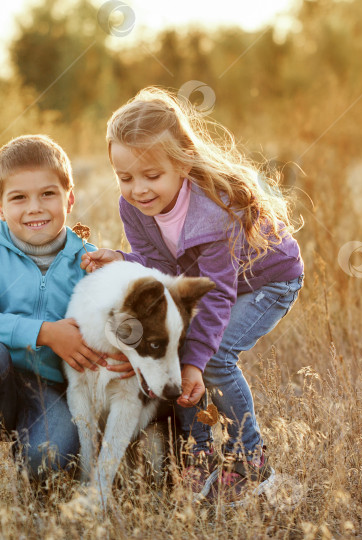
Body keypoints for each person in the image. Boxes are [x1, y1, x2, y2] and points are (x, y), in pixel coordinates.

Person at [81, 87, 305, 505]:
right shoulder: (133, 208)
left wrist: (197, 362)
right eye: (125, 177)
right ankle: (197, 454)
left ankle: (250, 459)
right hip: (216, 281)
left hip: (269, 281)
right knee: (177, 342)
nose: (138, 189)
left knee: (213, 356)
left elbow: (218, 294)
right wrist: (123, 258)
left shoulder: (211, 211)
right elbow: (158, 265)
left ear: (181, 163)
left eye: (152, 176)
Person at [0, 134, 132, 518]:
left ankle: (31, 450)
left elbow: (112, 333)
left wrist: (127, 357)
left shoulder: (88, 261)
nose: (34, 208)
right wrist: (47, 333)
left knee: (51, 461)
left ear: (69, 198)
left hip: (55, 393)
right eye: (19, 198)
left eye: (48, 194)